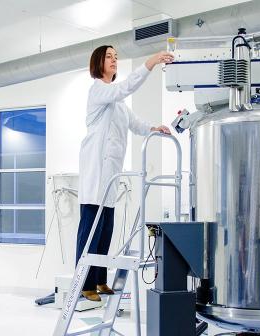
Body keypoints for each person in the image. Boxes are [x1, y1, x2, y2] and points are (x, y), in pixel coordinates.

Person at [76, 45, 174, 302]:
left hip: (110, 175)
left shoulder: (117, 103)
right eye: (109, 57)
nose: (114, 60)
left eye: (116, 57)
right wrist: (150, 62)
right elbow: (126, 87)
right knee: (90, 231)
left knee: (106, 229)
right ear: (98, 61)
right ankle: (84, 283)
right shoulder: (99, 89)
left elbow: (135, 123)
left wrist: (155, 128)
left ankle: (99, 280)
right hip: (95, 172)